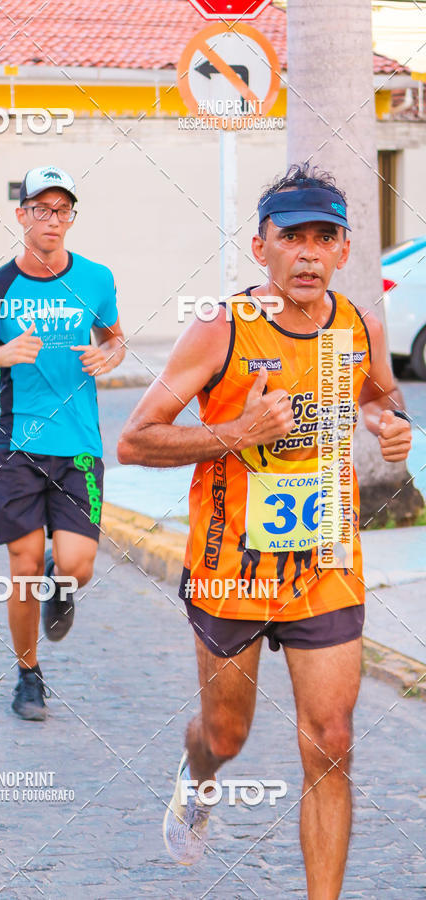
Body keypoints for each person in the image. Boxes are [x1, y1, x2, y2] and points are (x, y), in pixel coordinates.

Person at [118, 164, 412, 897]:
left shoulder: (358, 324)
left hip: (325, 562)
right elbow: (135, 439)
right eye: (292, 237)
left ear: (343, 250)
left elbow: (380, 394)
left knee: (333, 743)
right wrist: (236, 431)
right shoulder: (220, 330)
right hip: (231, 567)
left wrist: (389, 422)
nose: (308, 253)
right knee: (227, 735)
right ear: (261, 247)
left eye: (325, 237)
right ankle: (199, 775)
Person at [0, 165, 125, 721]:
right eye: (42, 209)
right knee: (22, 568)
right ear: (21, 214)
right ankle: (29, 676)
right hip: (16, 449)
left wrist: (110, 357)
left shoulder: (96, 278)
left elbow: (115, 339)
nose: (53, 220)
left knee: (77, 566)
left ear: (72, 217)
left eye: (63, 210)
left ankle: (62, 579)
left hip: (79, 446)